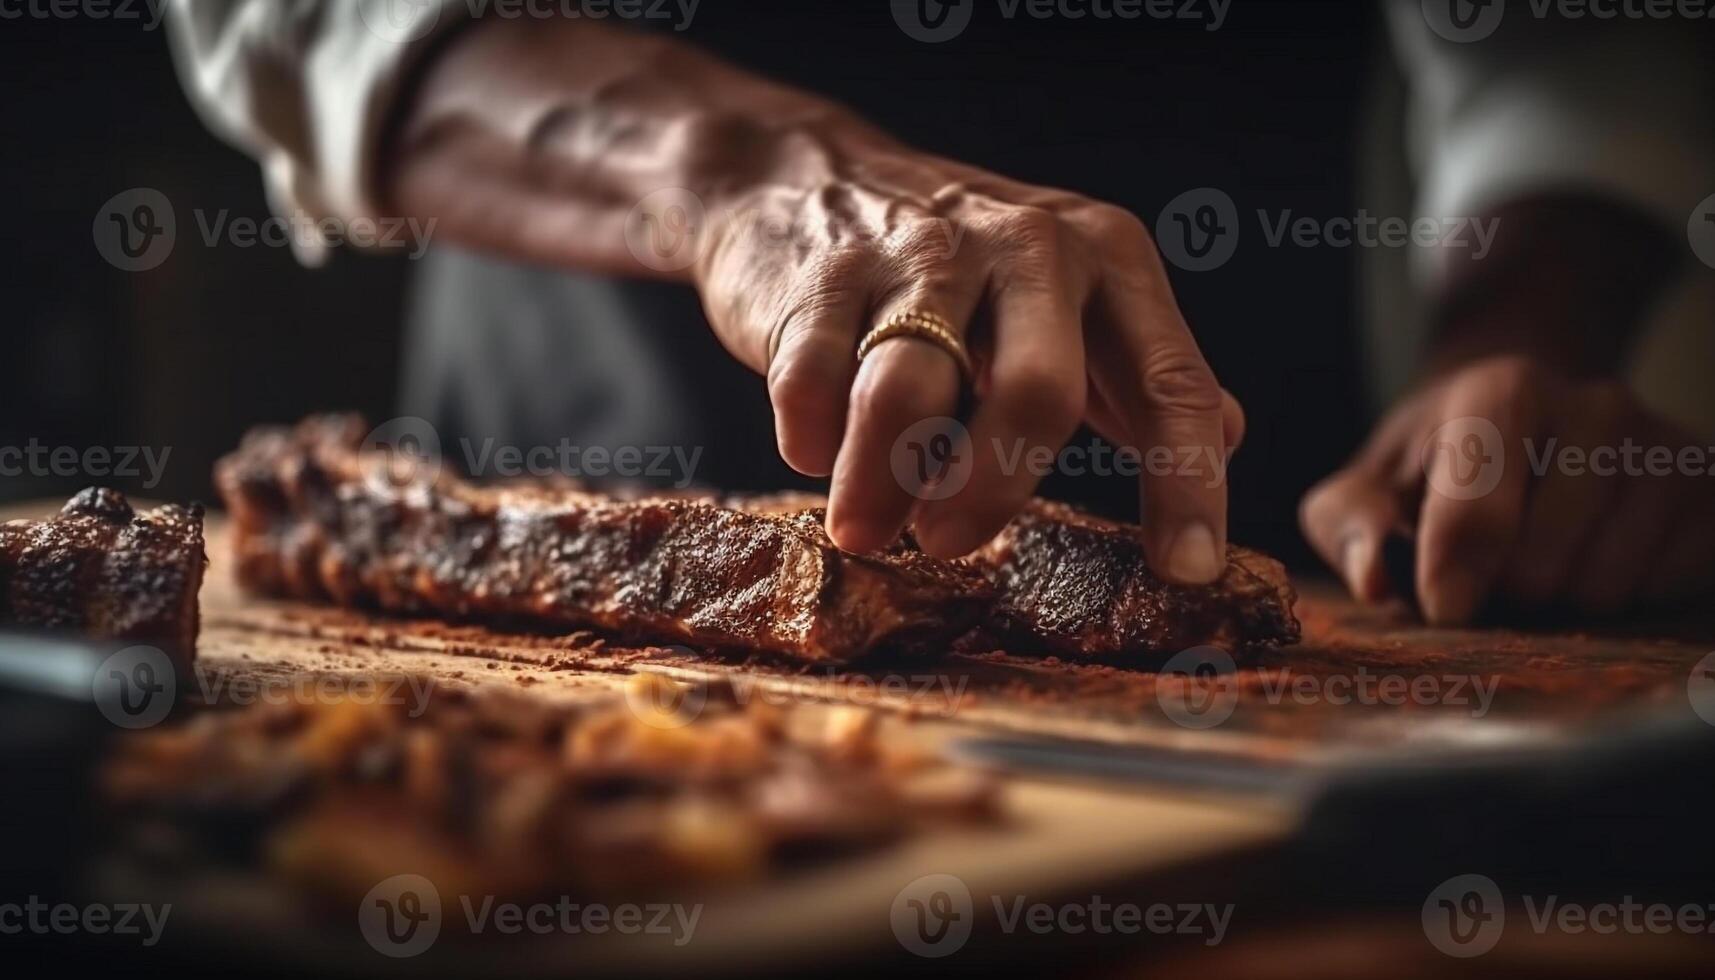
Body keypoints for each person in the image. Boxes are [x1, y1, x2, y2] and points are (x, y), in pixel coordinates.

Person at [166, 0, 1715, 624]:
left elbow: (1565, 53)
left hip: (1254, 453)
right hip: (582, 387)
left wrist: (1514, 349)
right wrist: (738, 169)